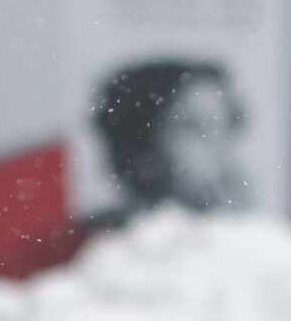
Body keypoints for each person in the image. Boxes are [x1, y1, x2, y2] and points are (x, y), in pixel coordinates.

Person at [87, 58, 251, 227]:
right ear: (142, 150)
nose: (218, 145)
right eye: (194, 128)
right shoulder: (104, 248)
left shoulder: (259, 239)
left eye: (227, 126)